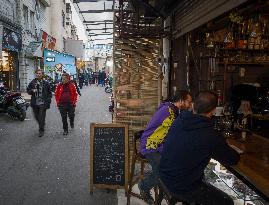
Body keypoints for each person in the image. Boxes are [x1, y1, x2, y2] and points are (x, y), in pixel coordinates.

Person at [159, 91, 240, 205]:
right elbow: (232, 159)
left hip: (164, 174)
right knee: (227, 202)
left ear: (193, 105)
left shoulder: (180, 120)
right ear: (213, 110)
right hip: (181, 185)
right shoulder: (210, 135)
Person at [138, 90, 193, 204]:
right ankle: (144, 186)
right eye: (189, 102)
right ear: (182, 101)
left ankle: (169, 190)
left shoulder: (173, 110)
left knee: (175, 165)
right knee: (161, 171)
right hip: (150, 145)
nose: (190, 105)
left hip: (160, 146)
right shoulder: (168, 111)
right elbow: (173, 131)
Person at [27, 69, 52, 137]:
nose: (38, 74)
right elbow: (28, 91)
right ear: (36, 74)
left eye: (40, 73)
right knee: (36, 116)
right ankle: (42, 124)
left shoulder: (46, 83)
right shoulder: (32, 82)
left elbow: (50, 93)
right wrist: (32, 90)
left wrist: (48, 101)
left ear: (42, 74)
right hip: (35, 103)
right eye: (37, 73)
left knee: (41, 117)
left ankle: (41, 130)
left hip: (43, 103)